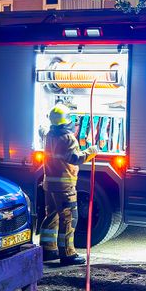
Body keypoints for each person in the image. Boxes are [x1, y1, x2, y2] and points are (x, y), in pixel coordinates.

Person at [40, 104, 99, 266]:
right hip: (64, 187)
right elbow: (75, 159)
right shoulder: (67, 138)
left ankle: (47, 249)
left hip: (49, 184)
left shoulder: (49, 135)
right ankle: (67, 254)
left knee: (51, 216)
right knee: (68, 218)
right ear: (66, 121)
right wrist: (91, 151)